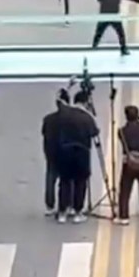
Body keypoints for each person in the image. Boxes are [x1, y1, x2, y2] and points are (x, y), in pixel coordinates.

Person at [55, 90, 99, 224]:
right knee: (80, 182)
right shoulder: (87, 117)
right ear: (86, 102)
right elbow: (94, 133)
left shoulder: (64, 114)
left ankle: (62, 211)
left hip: (64, 150)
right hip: (82, 152)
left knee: (65, 181)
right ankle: (77, 211)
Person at [40, 89, 69, 216]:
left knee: (50, 179)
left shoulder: (48, 119)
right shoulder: (69, 120)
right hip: (65, 153)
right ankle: (65, 205)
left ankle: (49, 205)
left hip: (51, 153)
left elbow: (43, 133)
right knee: (66, 181)